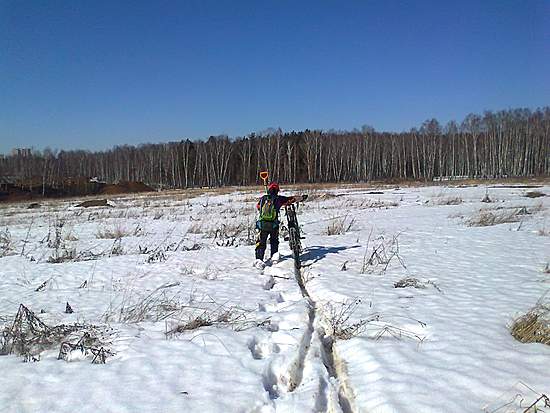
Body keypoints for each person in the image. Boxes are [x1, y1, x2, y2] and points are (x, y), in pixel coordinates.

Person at [254, 182, 306, 268]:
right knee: (274, 241)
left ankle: (259, 260)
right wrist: (301, 198)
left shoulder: (263, 198)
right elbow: (291, 200)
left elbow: (258, 207)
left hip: (262, 225)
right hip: (273, 225)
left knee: (261, 243)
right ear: (277, 190)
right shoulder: (279, 199)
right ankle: (274, 258)